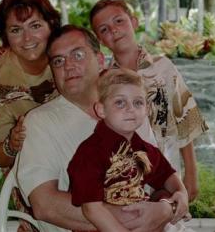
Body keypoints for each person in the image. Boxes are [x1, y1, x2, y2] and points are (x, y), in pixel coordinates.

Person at [16, 25, 181, 232]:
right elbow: (45, 206)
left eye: (77, 55)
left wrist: (166, 208)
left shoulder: (130, 110)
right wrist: (126, 220)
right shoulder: (40, 122)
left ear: (101, 60)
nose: (68, 66)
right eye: (58, 61)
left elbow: (157, 181)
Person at [89, 0, 208, 202]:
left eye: (119, 21)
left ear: (134, 22)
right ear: (100, 40)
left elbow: (185, 120)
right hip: (128, 179)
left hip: (168, 174)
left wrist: (191, 173)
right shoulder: (105, 82)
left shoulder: (163, 68)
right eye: (104, 29)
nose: (114, 30)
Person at [0, 0, 61, 231]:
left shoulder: (69, 51)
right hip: (28, 170)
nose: (27, 38)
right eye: (16, 30)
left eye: (35, 25)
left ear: (51, 24)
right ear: (5, 36)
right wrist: (13, 143)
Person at [67, 68, 189, 232]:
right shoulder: (90, 152)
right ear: (101, 110)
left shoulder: (144, 150)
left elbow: (167, 175)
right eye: (120, 102)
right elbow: (91, 209)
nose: (131, 109)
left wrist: (181, 193)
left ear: (146, 109)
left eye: (138, 102)